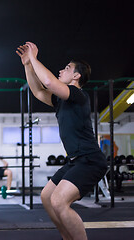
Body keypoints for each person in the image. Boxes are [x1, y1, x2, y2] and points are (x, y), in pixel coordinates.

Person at [16, 42, 107, 240]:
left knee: (58, 201)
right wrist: (27, 66)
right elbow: (39, 92)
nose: (61, 70)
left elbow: (48, 83)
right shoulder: (62, 100)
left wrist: (34, 58)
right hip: (75, 160)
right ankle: (67, 237)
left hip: (90, 160)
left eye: (67, 68)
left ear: (76, 76)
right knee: (47, 197)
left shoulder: (78, 95)